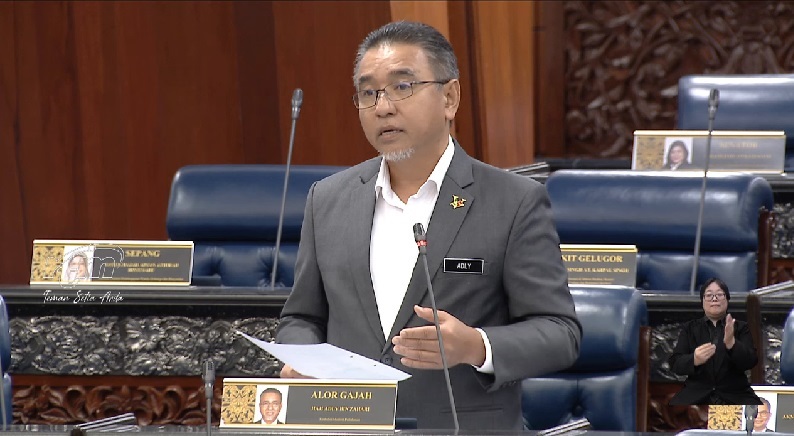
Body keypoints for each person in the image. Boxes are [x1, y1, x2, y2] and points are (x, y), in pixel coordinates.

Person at [276, 21, 581, 430]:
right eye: (368, 93)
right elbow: (301, 317)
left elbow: (560, 333)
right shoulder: (327, 199)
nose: (383, 107)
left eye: (402, 86)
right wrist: (302, 358)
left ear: (449, 97)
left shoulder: (513, 201)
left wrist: (476, 346)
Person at [668, 278, 762, 405]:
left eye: (719, 294)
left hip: (734, 394)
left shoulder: (740, 327)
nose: (714, 299)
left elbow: (751, 361)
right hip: (697, 394)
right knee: (673, 409)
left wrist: (732, 343)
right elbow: (675, 363)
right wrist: (694, 359)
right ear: (702, 301)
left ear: (727, 299)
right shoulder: (689, 328)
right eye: (709, 295)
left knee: (758, 410)